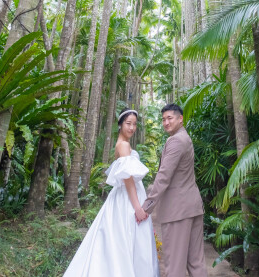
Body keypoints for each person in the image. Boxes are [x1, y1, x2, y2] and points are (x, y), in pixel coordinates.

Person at [63, 109, 159, 277]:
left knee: (121, 240)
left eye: (134, 124)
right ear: (120, 124)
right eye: (128, 123)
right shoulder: (123, 145)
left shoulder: (122, 143)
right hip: (128, 199)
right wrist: (137, 207)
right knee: (128, 238)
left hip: (124, 196)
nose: (132, 127)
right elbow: (128, 178)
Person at [139, 104, 208, 277]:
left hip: (178, 212)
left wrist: (147, 206)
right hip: (192, 207)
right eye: (163, 119)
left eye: (170, 118)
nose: (166, 123)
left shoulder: (176, 141)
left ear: (180, 118)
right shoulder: (185, 137)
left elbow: (164, 176)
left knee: (175, 267)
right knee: (196, 263)